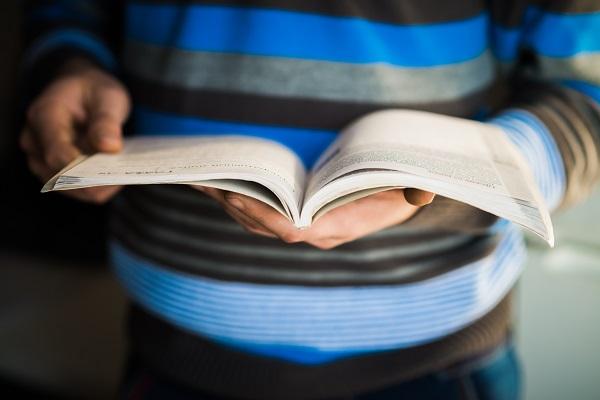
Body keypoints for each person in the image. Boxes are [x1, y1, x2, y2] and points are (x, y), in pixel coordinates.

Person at [20, 1, 600, 399]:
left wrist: (442, 189)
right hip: (173, 353)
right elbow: (71, 11)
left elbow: (587, 100)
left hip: (440, 364)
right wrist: (70, 68)